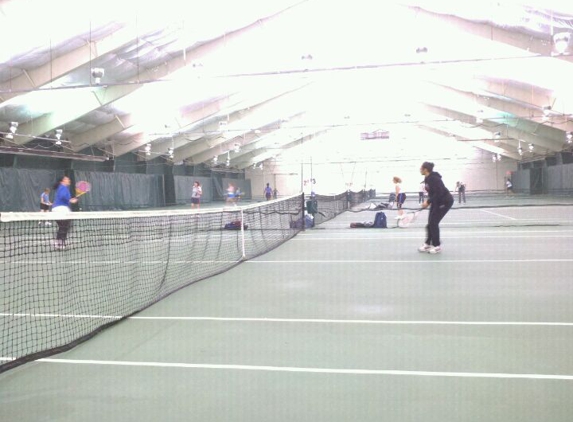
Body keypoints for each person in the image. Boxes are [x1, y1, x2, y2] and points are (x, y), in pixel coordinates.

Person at [418, 162, 453, 254]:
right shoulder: (427, 178)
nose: (420, 169)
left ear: (425, 169)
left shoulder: (434, 179)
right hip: (437, 201)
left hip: (445, 201)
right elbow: (432, 193)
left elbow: (439, 192)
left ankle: (437, 246)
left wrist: (428, 202)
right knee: (430, 223)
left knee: (433, 223)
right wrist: (428, 202)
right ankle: (427, 244)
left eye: (421, 168)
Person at [51, 176, 78, 250]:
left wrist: (70, 200)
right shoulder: (63, 187)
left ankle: (58, 243)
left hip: (56, 209)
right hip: (61, 209)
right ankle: (61, 242)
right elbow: (63, 196)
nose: (69, 179)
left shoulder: (62, 188)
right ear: (62, 181)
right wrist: (70, 200)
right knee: (65, 226)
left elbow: (63, 198)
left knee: (63, 226)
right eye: (66, 179)